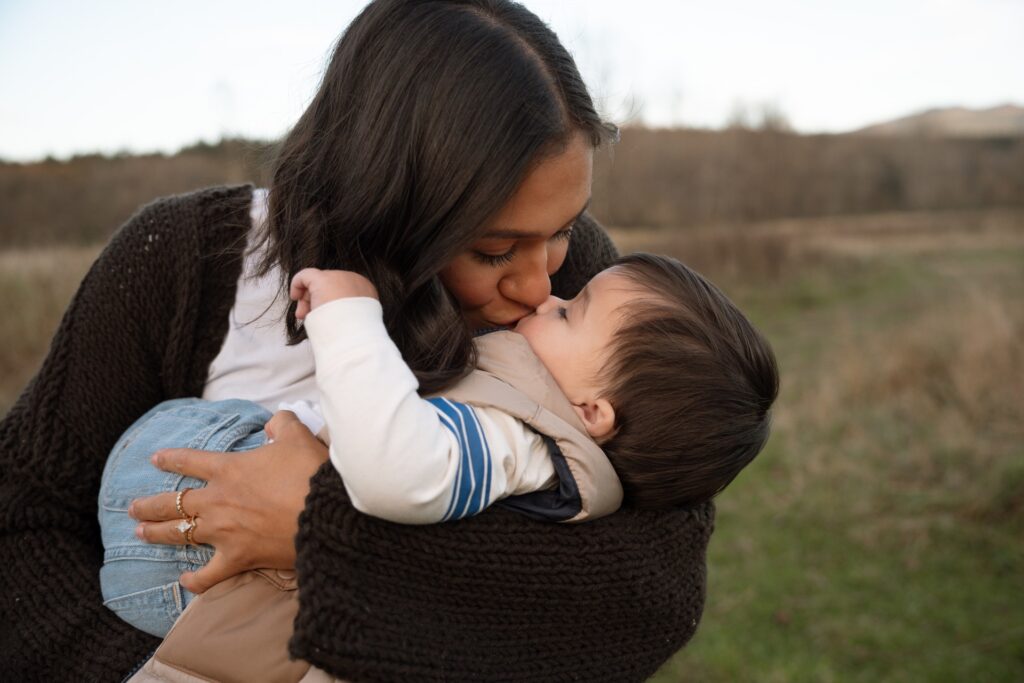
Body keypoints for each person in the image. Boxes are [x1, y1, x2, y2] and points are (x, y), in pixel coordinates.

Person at [0, 1, 717, 680]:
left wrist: (324, 532)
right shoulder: (184, 262)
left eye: (561, 229)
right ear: (382, 202)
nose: (538, 287)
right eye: (495, 249)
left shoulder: (582, 287)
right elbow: (23, 521)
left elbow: (654, 592)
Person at [98, 253, 778, 638]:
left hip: (179, 546)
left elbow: (394, 469)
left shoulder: (519, 438)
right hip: (181, 536)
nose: (545, 297)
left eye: (569, 312)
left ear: (592, 411)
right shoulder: (540, 416)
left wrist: (348, 314)